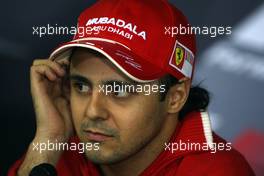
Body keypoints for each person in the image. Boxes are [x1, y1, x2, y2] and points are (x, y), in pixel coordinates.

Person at [8, 0, 255, 175]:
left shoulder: (216, 171)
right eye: (82, 86)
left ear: (175, 97)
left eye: (119, 91)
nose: (92, 112)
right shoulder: (58, 152)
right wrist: (48, 141)